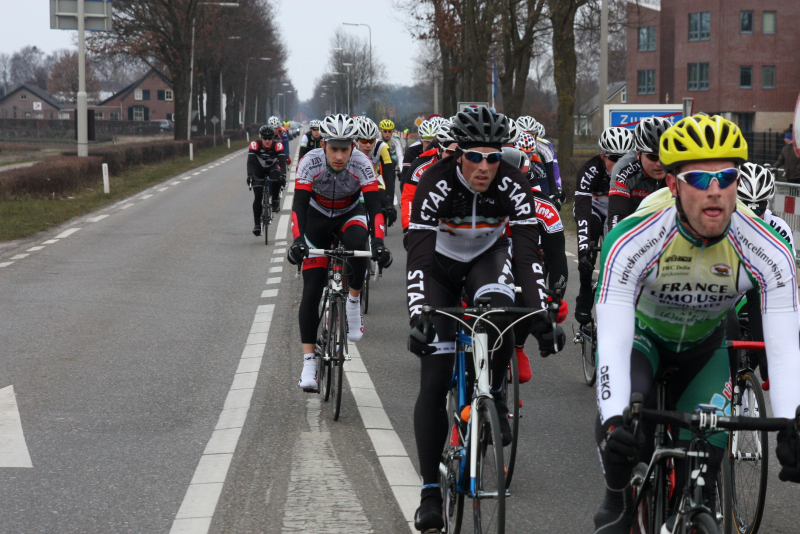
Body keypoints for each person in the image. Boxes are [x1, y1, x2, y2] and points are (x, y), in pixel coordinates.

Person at [592, 114, 800, 533]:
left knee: (701, 473)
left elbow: (784, 345)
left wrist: (793, 419)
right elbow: (612, 336)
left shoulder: (767, 247)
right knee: (629, 437)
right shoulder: (635, 238)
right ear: (672, 185)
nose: (716, 191)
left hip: (705, 349)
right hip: (642, 341)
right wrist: (614, 420)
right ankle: (618, 496)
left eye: (726, 178)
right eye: (699, 180)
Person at [405, 106, 560, 532]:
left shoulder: (514, 182)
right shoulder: (433, 182)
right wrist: (417, 312)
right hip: (438, 267)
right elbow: (417, 255)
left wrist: (541, 310)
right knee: (434, 379)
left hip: (486, 260)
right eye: (476, 156)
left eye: (494, 157)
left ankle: (490, 398)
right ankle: (429, 493)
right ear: (458, 155)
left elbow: (527, 255)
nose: (486, 167)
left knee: (501, 311)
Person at [288, 114, 393, 391]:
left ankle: (353, 304)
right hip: (317, 217)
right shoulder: (309, 162)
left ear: (353, 147)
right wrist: (298, 240)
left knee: (360, 247)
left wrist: (379, 243)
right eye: (333, 148)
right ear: (323, 144)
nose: (339, 155)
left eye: (344, 149)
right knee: (312, 290)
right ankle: (309, 360)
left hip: (349, 213)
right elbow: (298, 206)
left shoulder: (362, 163)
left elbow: (374, 208)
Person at [501, 146, 569, 383]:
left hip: (523, 270)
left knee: (526, 290)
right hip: (487, 268)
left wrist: (556, 298)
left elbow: (557, 257)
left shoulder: (544, 207)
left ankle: (517, 346)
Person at [733, 162, 795, 392]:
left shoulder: (778, 228)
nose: (753, 214)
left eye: (758, 208)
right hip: (730, 296)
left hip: (763, 297)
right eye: (746, 207)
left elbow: (787, 280)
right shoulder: (723, 222)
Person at [573, 127, 634, 324]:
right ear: (603, 156)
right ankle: (584, 293)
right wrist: (583, 251)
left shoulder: (634, 169)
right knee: (592, 228)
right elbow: (582, 213)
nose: (620, 163)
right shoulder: (590, 170)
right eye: (615, 158)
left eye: (625, 157)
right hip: (593, 209)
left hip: (620, 209)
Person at [605, 117, 672, 232]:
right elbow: (617, 216)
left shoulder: (677, 166)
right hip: (630, 223)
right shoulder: (624, 169)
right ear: (638, 155)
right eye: (652, 157)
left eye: (664, 156)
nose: (659, 164)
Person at [400, 122, 456, 241]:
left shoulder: (471, 163)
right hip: (429, 213)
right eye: (450, 153)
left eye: (459, 152)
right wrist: (409, 228)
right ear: (439, 150)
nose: (455, 158)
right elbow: (409, 198)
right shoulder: (422, 163)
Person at [356, 118, 398, 227]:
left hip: (374, 177)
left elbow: (389, 176)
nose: (368, 145)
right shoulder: (351, 147)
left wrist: (390, 203)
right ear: (357, 140)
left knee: (383, 200)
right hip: (354, 179)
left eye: (371, 141)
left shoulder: (382, 147)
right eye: (364, 141)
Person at [246, 125, 287, 234]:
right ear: (261, 137)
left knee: (277, 178)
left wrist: (283, 175)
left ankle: (275, 200)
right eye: (265, 138)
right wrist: (249, 175)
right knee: (258, 196)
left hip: (272, 168)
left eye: (270, 138)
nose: (267, 141)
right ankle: (257, 225)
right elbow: (250, 162)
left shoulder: (278, 145)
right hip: (258, 169)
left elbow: (282, 162)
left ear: (273, 138)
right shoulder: (255, 145)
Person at [400, 120, 438, 191]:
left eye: (432, 142)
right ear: (421, 140)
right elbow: (405, 178)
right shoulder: (411, 151)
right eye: (427, 142)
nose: (430, 145)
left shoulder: (442, 150)